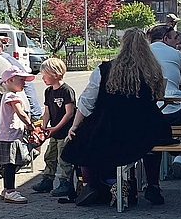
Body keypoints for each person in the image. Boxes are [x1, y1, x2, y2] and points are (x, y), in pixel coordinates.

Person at [62, 28, 172, 207]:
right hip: (145, 127)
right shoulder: (153, 71)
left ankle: (92, 182)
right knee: (153, 142)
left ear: (122, 45)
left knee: (83, 136)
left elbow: (86, 102)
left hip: (111, 127)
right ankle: (153, 184)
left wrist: (74, 126)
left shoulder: (104, 70)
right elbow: (159, 97)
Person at [148, 24, 181, 185]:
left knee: (153, 132)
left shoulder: (142, 54)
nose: (178, 42)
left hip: (147, 112)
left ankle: (153, 180)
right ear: (166, 39)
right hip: (171, 111)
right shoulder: (176, 53)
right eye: (175, 38)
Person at [32, 58, 76, 197]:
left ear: (56, 75)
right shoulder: (48, 91)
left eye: (45, 75)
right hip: (53, 132)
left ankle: (65, 182)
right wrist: (44, 127)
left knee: (64, 159)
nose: (43, 78)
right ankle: (47, 179)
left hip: (64, 132)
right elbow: (47, 112)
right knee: (50, 156)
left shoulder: (67, 91)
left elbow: (69, 113)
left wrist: (56, 127)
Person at [0, 66, 35, 204]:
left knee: (9, 165)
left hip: (7, 135)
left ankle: (7, 189)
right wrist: (30, 124)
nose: (24, 83)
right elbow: (21, 113)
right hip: (10, 136)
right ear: (10, 80)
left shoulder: (7, 95)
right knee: (11, 165)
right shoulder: (11, 96)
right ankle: (10, 190)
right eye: (21, 80)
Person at [0, 38, 43, 121]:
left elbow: (21, 114)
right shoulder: (11, 94)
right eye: (22, 80)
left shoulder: (2, 60)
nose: (24, 83)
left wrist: (29, 124)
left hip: (31, 112)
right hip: (32, 111)